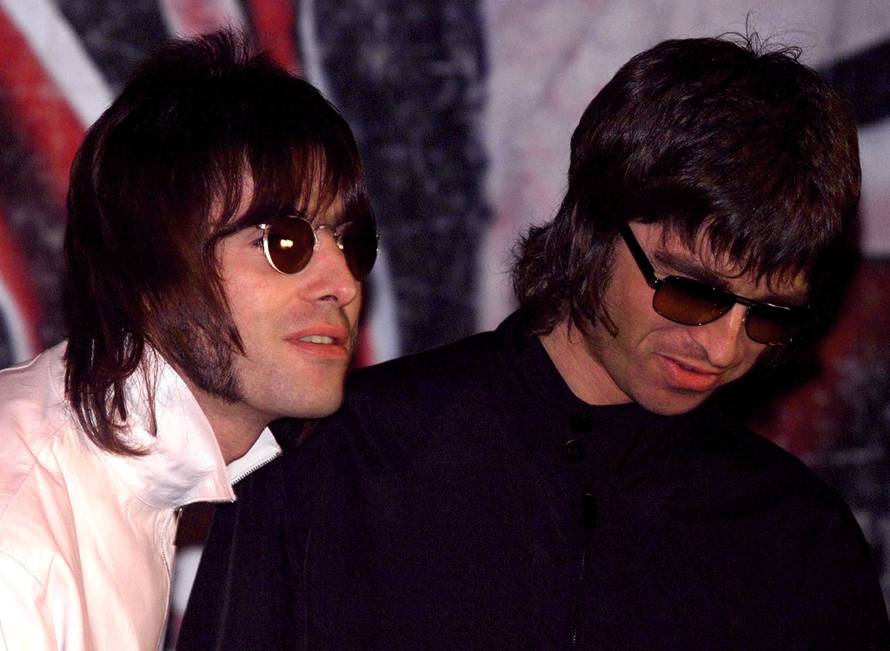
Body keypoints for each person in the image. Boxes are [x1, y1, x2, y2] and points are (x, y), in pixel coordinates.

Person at [180, 35, 889, 649]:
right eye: (693, 291)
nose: (724, 346)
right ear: (593, 226)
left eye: (767, 315)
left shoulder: (800, 541)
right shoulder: (334, 460)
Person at [0, 31, 377, 650]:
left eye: (349, 241)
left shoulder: (117, 476)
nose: (343, 281)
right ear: (152, 264)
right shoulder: (23, 542)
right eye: (285, 243)